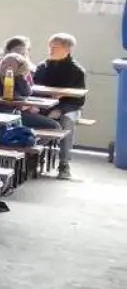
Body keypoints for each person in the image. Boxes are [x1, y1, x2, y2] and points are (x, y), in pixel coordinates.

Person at [33, 33, 87, 179]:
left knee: (66, 122)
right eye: (50, 47)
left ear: (67, 49)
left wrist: (60, 109)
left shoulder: (77, 71)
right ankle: (33, 156)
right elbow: (34, 91)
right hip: (44, 107)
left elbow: (78, 99)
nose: (51, 50)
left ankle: (64, 164)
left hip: (69, 108)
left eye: (55, 48)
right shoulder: (42, 67)